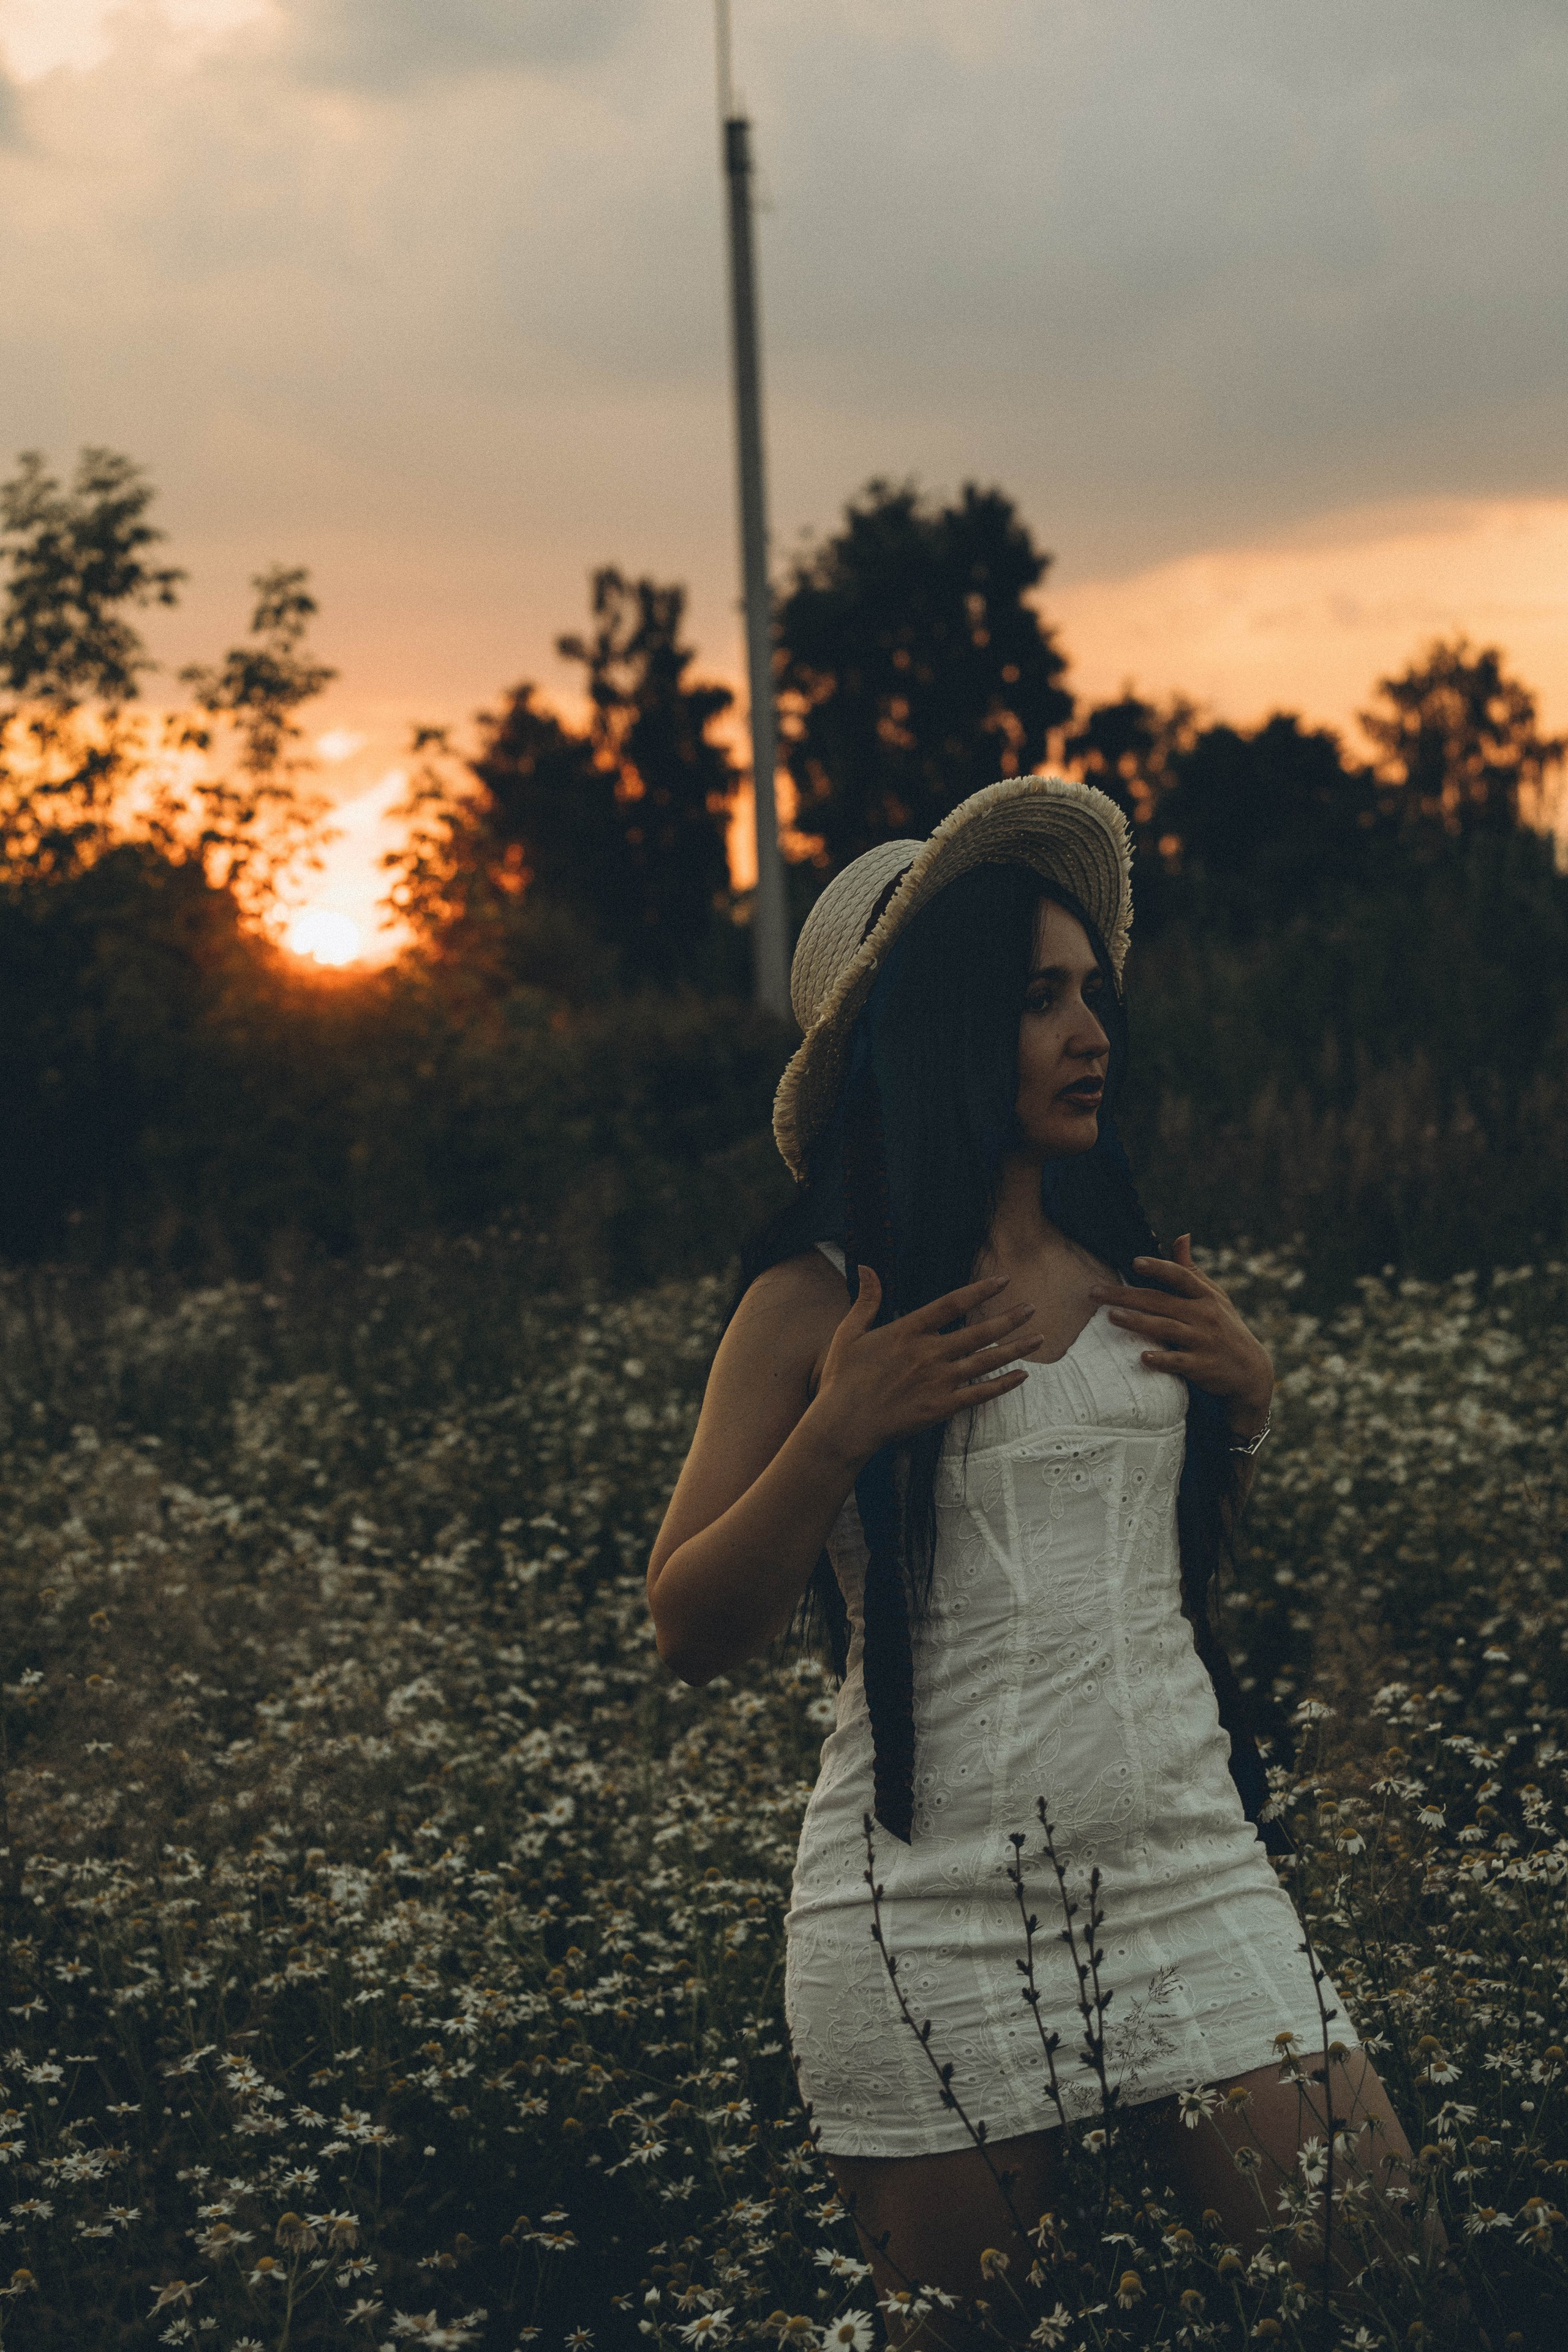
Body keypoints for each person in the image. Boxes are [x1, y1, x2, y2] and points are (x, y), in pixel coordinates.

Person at [646, 777, 1419, 2334]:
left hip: (1189, 1871)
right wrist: (833, 1432)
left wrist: (1245, 1409)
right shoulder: (813, 1304)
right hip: (924, 1912)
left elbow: (1135, 1584)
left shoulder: (1130, 1269)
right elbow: (688, 1628)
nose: (1089, 1033)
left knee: (1391, 2287)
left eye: (1089, 994)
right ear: (936, 1033)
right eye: (1036, 1000)